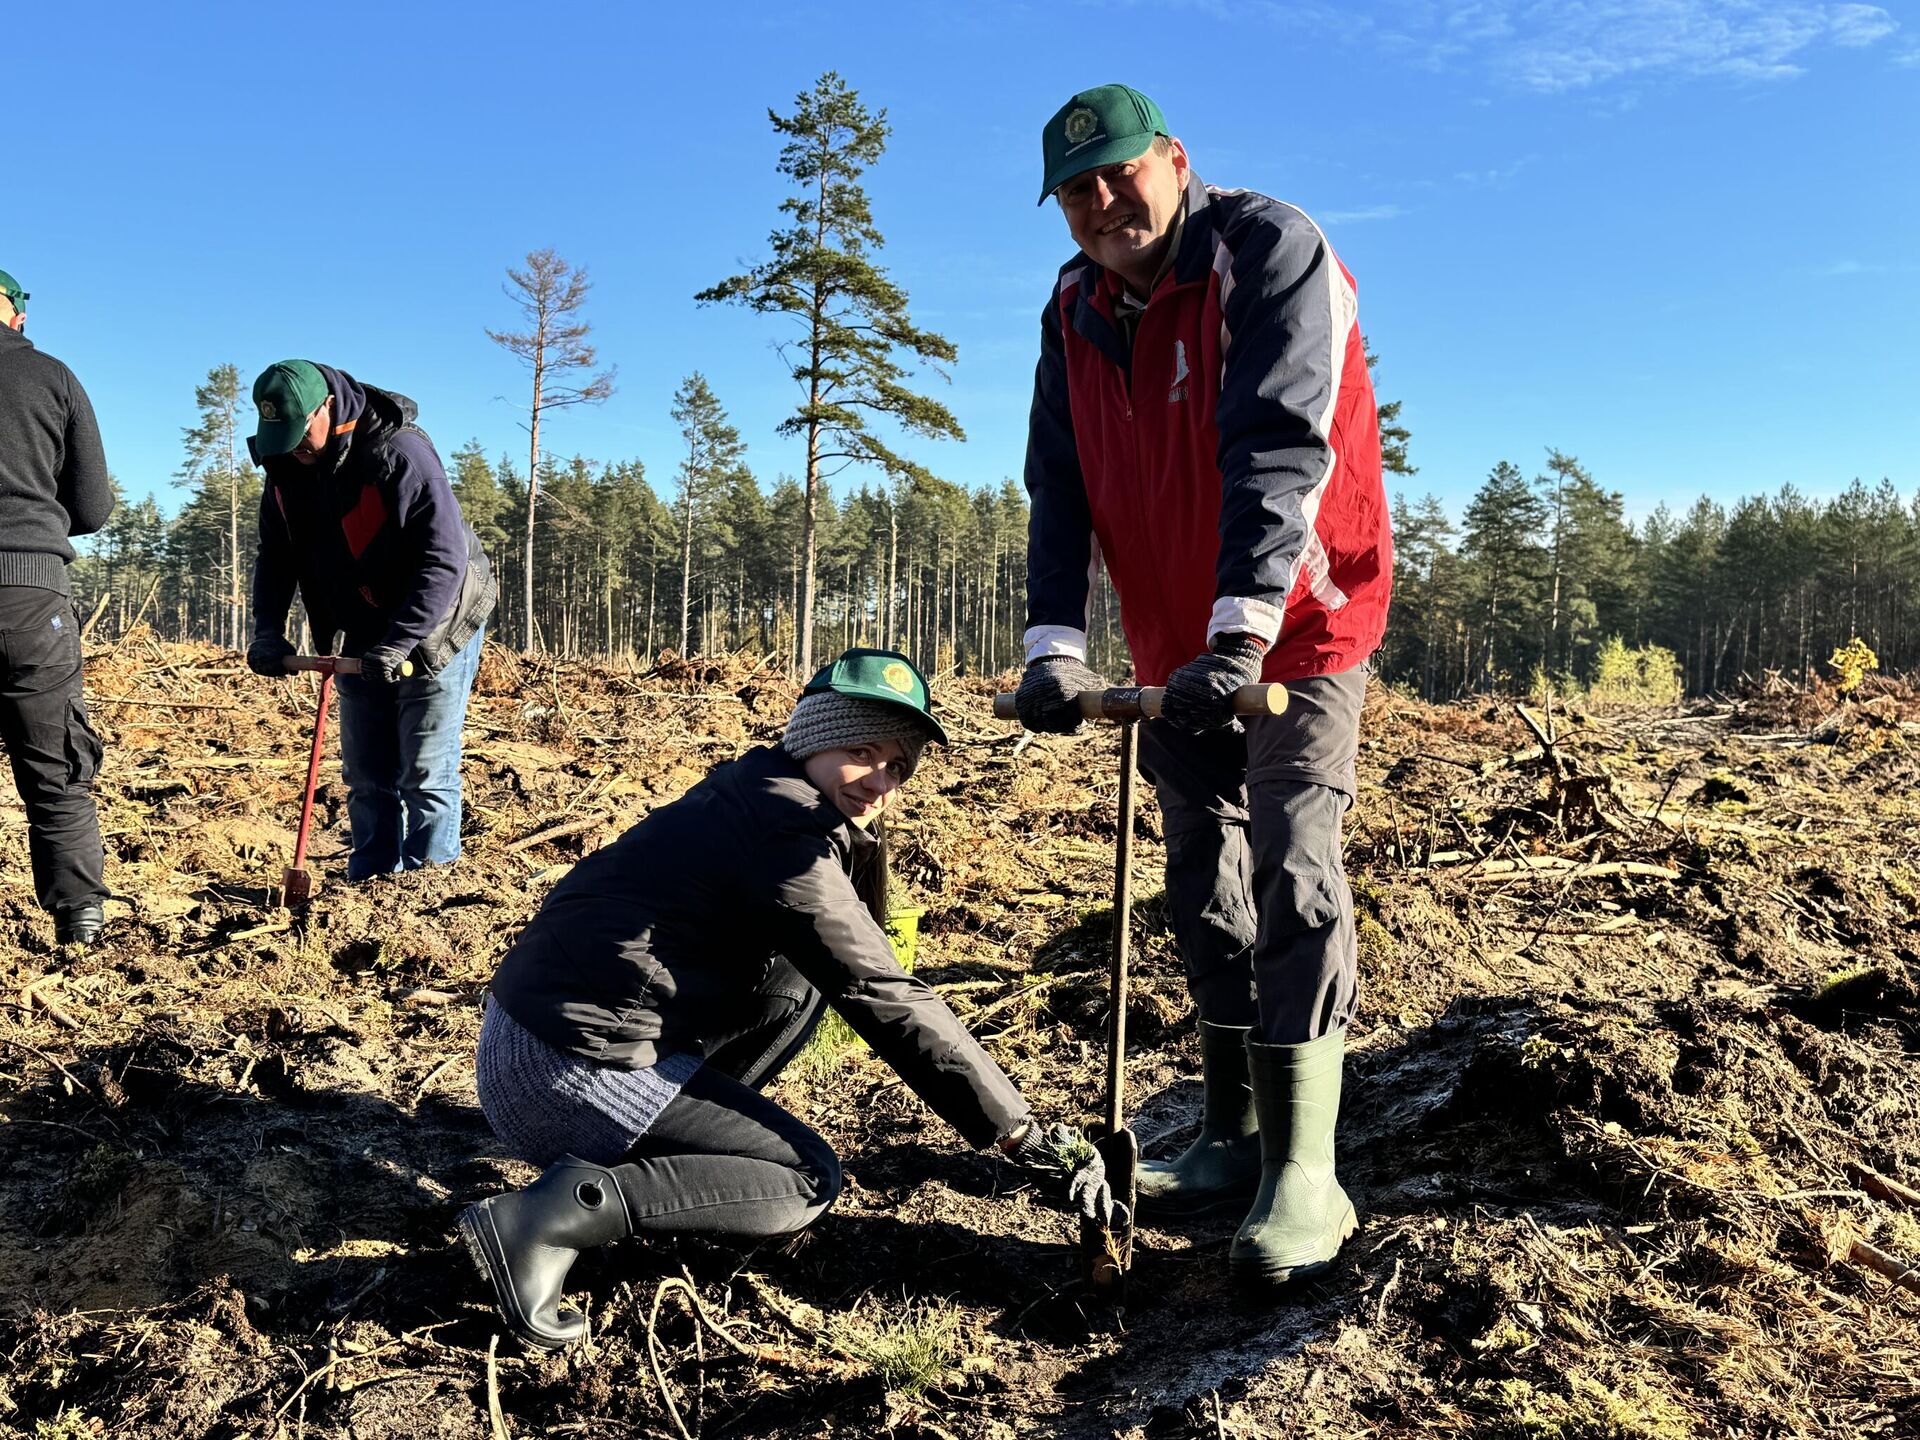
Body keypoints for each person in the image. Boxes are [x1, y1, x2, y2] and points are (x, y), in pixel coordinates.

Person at [459, 649, 1110, 1350]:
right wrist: (1022, 1133)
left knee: (799, 980)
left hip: (547, 1039)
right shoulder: (785, 837)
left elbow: (854, 967)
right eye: (862, 750)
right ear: (814, 736)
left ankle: (672, 1170)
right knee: (805, 1178)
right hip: (563, 1074)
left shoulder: (759, 792)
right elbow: (881, 993)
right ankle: (543, 1221)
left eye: (898, 767)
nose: (879, 782)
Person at [1015, 86, 1392, 1289]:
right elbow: (1060, 490)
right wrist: (1052, 650)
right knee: (1202, 877)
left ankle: (1305, 1169)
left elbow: (1279, 442)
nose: (1100, 202)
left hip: (1304, 625)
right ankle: (1231, 1137)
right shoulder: (1073, 309)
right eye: (1076, 190)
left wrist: (1245, 633)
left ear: (1173, 161)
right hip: (1177, 646)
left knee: (1292, 862)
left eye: (1120, 173)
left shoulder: (1267, 250)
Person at [246, 359, 495, 880]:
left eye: (300, 435)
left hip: (435, 619)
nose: (294, 450)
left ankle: (428, 897)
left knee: (423, 771)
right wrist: (268, 630)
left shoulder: (399, 454)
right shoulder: (286, 469)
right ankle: (373, 885)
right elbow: (277, 557)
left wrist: (400, 641)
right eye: (282, 438)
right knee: (367, 774)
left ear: (329, 409)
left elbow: (443, 558)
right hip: (358, 623)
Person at [0, 268, 113, 946]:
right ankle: (80, 918)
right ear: (14, 315)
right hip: (29, 597)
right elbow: (93, 508)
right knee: (54, 768)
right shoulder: (52, 377)